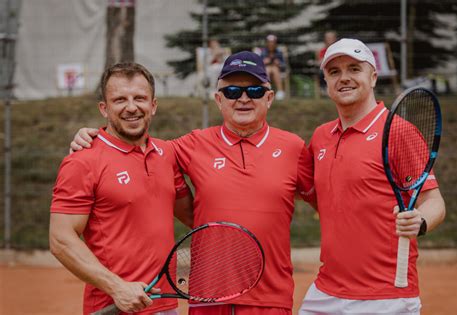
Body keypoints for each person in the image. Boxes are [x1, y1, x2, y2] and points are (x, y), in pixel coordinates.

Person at [70, 51, 317, 315]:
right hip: (207, 298)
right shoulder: (189, 145)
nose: (243, 98)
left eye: (254, 90)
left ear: (269, 98)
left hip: (270, 299)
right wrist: (93, 137)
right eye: (232, 91)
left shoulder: (294, 148)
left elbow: (332, 202)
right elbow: (135, 148)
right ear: (218, 99)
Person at [299, 38, 446, 315]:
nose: (344, 78)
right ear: (326, 81)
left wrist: (421, 221)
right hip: (325, 292)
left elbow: (434, 202)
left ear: (373, 76)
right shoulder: (320, 136)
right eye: (334, 72)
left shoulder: (399, 132)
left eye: (354, 69)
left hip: (385, 297)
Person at [49, 62, 193, 315]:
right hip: (114, 305)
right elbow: (61, 240)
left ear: (153, 105)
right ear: (104, 108)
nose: (131, 107)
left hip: (165, 305)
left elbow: (195, 216)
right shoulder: (82, 161)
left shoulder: (167, 154)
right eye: (119, 100)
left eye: (140, 98)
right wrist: (117, 287)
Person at [261, 34, 286, 100]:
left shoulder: (279, 52)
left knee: (274, 69)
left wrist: (279, 63)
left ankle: (274, 91)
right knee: (268, 69)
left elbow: (284, 65)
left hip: (277, 71)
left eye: (273, 42)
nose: (271, 44)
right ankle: (269, 90)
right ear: (267, 43)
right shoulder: (262, 52)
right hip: (266, 70)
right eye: (269, 42)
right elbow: (258, 65)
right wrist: (264, 62)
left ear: (275, 43)